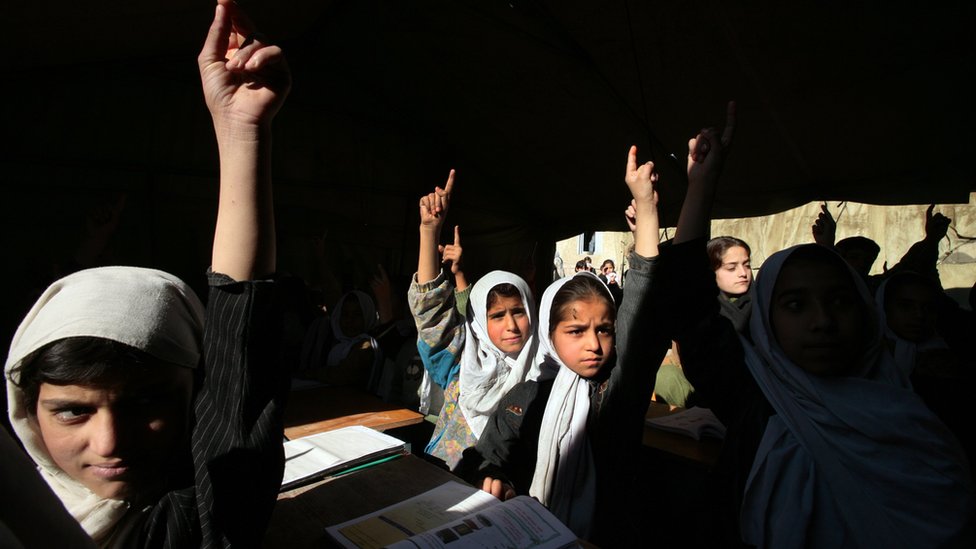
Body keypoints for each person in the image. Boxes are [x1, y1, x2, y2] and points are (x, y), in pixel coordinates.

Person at [4, 1, 291, 545]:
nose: (110, 442)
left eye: (145, 402)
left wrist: (242, 135)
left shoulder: (190, 522)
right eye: (70, 411)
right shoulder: (18, 512)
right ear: (24, 406)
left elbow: (242, 350)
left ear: (197, 390)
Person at [673, 105, 973, 547]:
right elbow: (687, 300)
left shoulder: (921, 412)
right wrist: (702, 185)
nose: (823, 321)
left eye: (839, 301)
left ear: (868, 314)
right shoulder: (760, 399)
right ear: (768, 322)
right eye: (795, 305)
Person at [457, 143, 670, 545]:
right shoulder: (526, 396)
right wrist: (493, 477)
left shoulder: (614, 392)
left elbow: (644, 309)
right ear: (549, 336)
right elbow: (487, 455)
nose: (594, 344)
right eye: (576, 331)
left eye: (604, 329)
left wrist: (646, 210)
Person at [408, 172, 541, 470]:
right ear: (479, 322)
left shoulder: (543, 371)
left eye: (518, 312)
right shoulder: (461, 364)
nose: (511, 325)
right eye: (497, 315)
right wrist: (429, 231)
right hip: (443, 483)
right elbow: (431, 315)